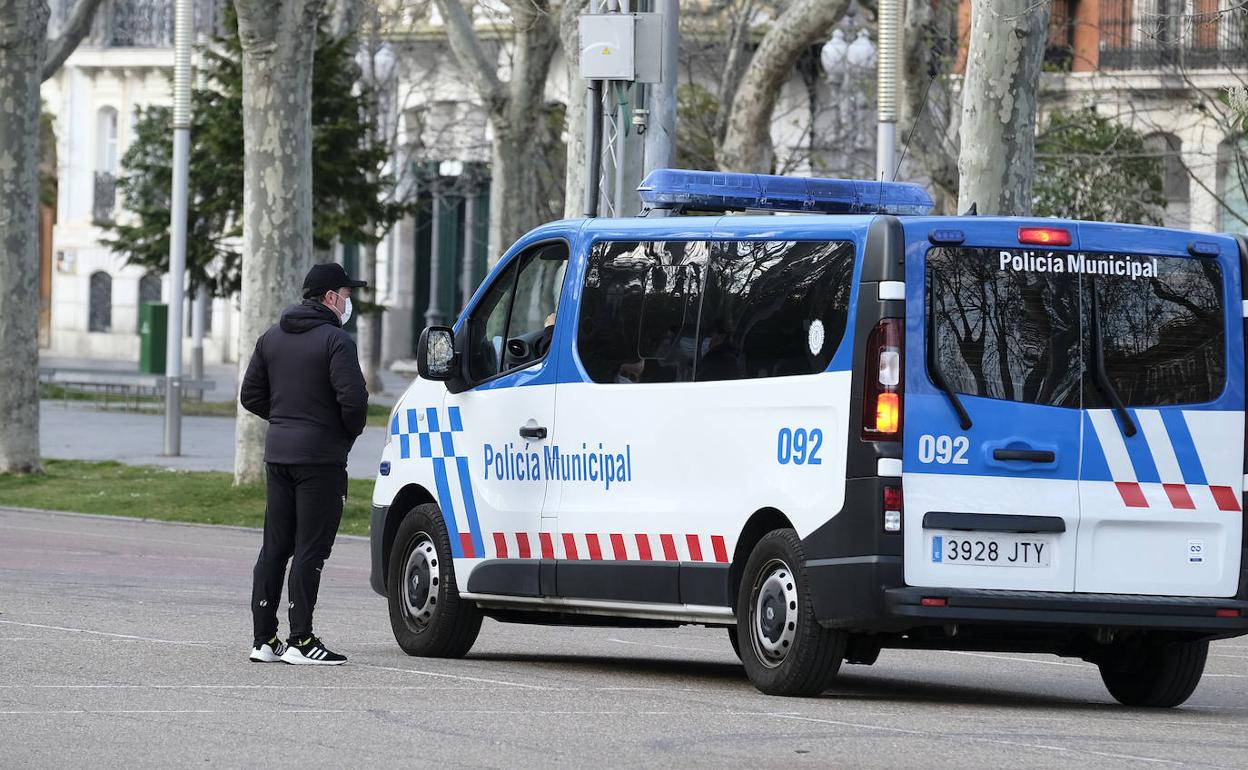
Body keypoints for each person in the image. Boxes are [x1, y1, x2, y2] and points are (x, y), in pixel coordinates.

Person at [240, 262, 368, 666]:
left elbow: (251, 395)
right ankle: (301, 639)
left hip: (278, 454)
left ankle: (264, 639)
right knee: (311, 548)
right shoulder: (336, 340)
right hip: (320, 459)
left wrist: (285, 419)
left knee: (275, 547)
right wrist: (340, 433)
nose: (349, 302)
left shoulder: (271, 337)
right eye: (347, 295)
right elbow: (354, 400)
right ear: (330, 297)